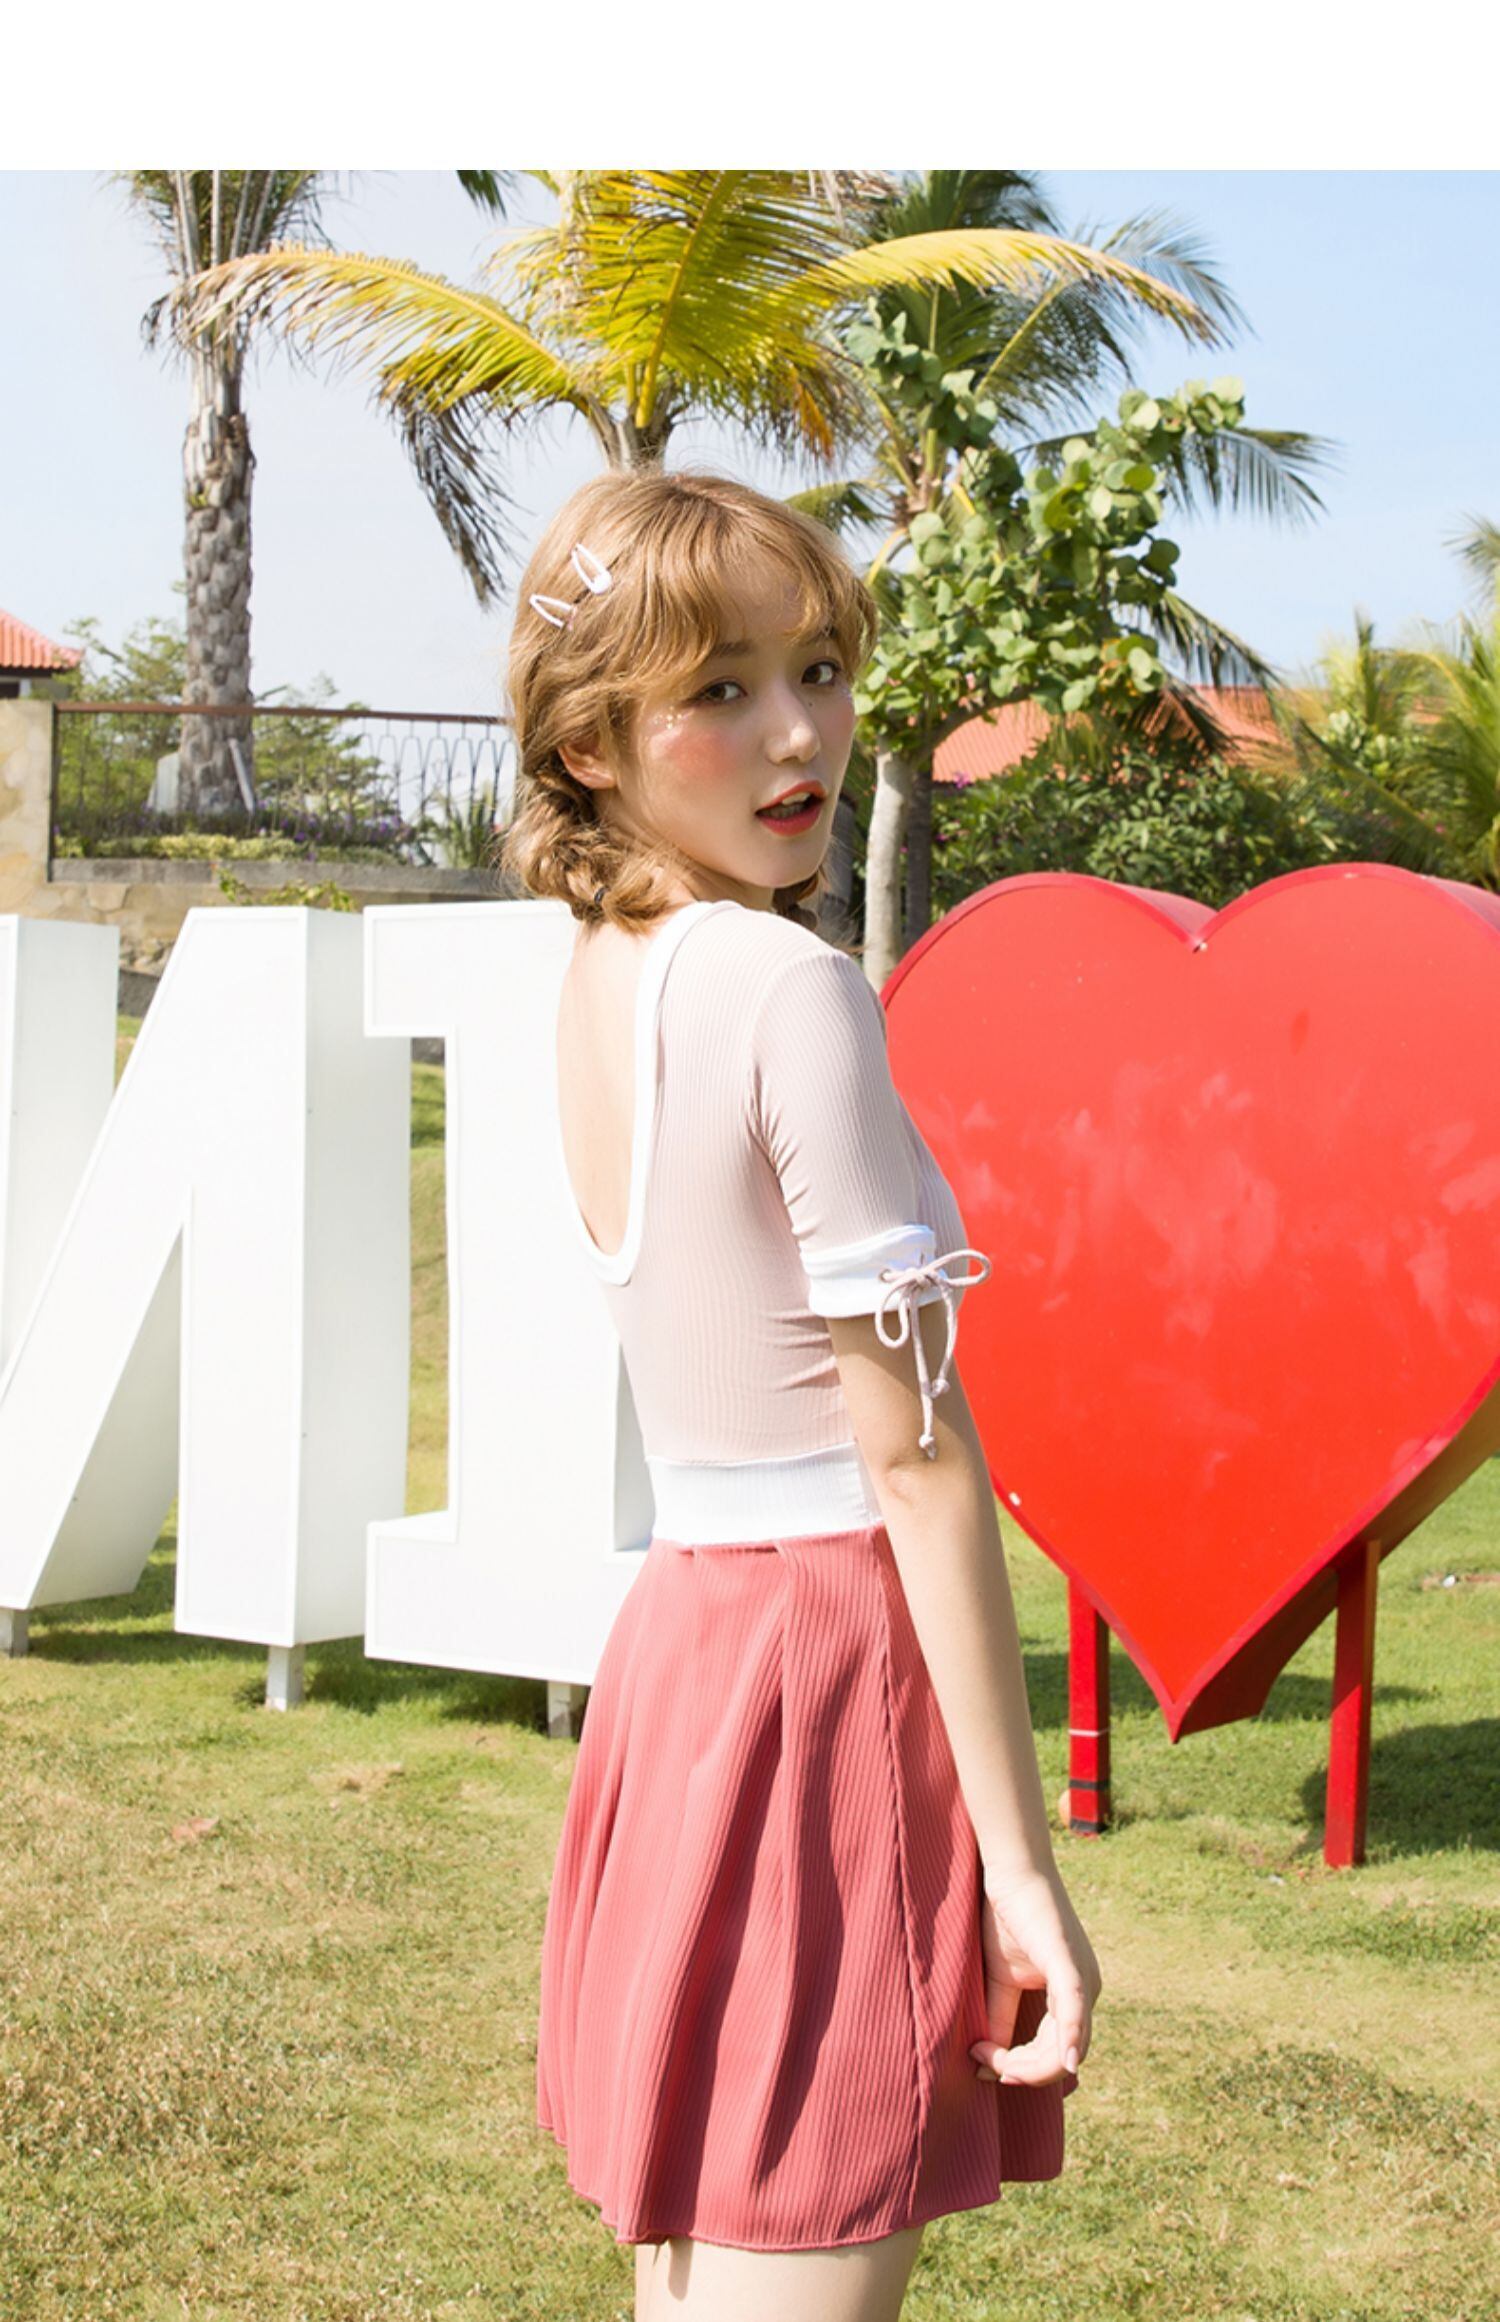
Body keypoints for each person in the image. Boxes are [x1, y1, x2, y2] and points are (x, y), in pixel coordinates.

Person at [500, 466, 1102, 2322]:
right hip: (828, 1657)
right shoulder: (786, 985)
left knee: (703, 2264)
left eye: (820, 667)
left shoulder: (606, 968)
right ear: (589, 745)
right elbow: (911, 1456)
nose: (798, 733)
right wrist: (1023, 1870)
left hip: (690, 1645)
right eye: (723, 687)